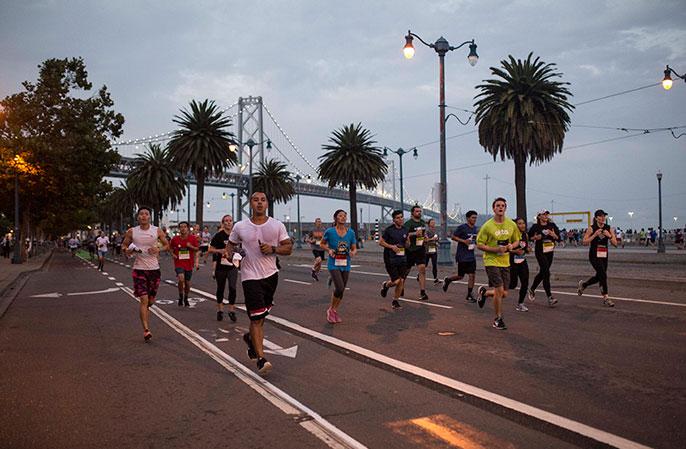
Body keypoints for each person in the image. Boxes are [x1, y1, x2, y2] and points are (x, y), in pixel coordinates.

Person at [226, 192, 292, 375]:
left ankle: (250, 339)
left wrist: (273, 249)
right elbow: (230, 245)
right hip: (249, 277)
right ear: (251, 204)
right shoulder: (240, 226)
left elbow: (288, 248)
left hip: (271, 276)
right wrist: (232, 256)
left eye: (263, 200)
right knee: (255, 318)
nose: (260, 203)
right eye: (256, 200)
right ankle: (261, 359)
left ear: (267, 204)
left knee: (261, 317)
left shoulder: (277, 225)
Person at [121, 207, 170, 342]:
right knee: (143, 299)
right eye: (141, 214)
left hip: (154, 270)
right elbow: (124, 246)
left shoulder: (156, 231)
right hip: (139, 269)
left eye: (146, 214)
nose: (143, 216)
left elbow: (167, 245)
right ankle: (146, 330)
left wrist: (158, 248)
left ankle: (146, 311)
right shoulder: (132, 231)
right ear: (138, 217)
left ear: (149, 217)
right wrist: (129, 251)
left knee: (151, 301)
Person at [476, 198, 520, 330]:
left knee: (504, 294)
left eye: (503, 206)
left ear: (505, 208)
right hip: (491, 261)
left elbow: (517, 240)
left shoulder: (511, 224)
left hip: (505, 262)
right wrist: (495, 249)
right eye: (498, 206)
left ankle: (484, 293)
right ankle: (497, 319)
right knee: (499, 290)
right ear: (493, 208)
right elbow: (479, 244)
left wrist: (512, 245)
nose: (500, 208)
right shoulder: (487, 226)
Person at [320, 209, 357, 323]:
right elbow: (321, 244)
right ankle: (331, 310)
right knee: (340, 287)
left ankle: (333, 310)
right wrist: (329, 250)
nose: (343, 218)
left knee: (341, 290)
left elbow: (354, 247)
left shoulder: (350, 232)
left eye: (345, 216)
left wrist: (353, 252)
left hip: (346, 263)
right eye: (340, 216)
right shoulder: (330, 231)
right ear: (335, 218)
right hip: (334, 263)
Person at [578, 209, 618, 307]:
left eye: (604, 216)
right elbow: (584, 242)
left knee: (600, 275)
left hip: (604, 255)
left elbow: (616, 244)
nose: (603, 218)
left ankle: (584, 285)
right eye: (600, 216)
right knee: (603, 275)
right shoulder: (591, 228)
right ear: (596, 218)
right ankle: (606, 298)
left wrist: (609, 236)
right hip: (594, 255)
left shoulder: (609, 228)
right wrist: (594, 235)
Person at [208, 215, 239, 322]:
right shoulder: (219, 236)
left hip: (233, 266)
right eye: (226, 221)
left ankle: (231, 310)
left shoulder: (236, 235)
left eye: (230, 221)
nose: (228, 223)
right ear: (223, 223)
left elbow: (242, 248)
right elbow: (210, 249)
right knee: (220, 288)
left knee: (232, 288)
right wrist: (220, 251)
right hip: (221, 267)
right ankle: (220, 309)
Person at [443, 210, 479, 302]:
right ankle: (448, 280)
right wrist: (464, 241)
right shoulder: (462, 227)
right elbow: (453, 237)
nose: (474, 219)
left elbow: (475, 239)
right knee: (460, 276)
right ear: (468, 218)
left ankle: (469, 294)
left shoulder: (475, 228)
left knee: (472, 274)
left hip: (471, 255)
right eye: (473, 217)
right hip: (462, 255)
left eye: (476, 218)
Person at [527, 210, 560, 306]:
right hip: (540, 252)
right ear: (539, 216)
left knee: (543, 272)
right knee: (546, 272)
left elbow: (558, 238)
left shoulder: (552, 225)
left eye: (547, 214)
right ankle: (550, 297)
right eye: (543, 214)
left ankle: (532, 289)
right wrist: (535, 238)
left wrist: (553, 235)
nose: (546, 216)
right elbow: (528, 237)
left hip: (550, 251)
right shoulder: (535, 227)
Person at [379, 210, 409, 309]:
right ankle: (386, 285)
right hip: (390, 258)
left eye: (401, 217)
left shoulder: (405, 229)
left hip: (402, 258)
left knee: (401, 280)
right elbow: (381, 242)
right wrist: (392, 247)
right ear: (393, 220)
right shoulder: (389, 230)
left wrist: (408, 242)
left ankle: (395, 301)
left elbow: (407, 244)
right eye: (398, 218)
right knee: (396, 281)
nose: (400, 219)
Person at [170, 221, 199, 307]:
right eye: (181, 227)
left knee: (187, 282)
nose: (183, 228)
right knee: (181, 279)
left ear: (188, 228)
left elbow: (197, 249)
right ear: (179, 229)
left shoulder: (192, 238)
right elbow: (170, 248)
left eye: (185, 227)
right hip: (179, 262)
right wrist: (173, 255)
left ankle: (186, 297)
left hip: (189, 263)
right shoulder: (175, 239)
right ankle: (180, 296)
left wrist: (190, 246)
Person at [404, 205, 429, 301]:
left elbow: (424, 233)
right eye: (417, 211)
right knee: (406, 271)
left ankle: (423, 292)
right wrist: (414, 234)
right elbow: (404, 234)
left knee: (422, 269)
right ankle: (401, 286)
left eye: (420, 211)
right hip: (410, 250)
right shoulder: (409, 223)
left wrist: (425, 237)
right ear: (412, 213)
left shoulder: (422, 222)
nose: (419, 213)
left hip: (420, 249)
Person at [509, 218, 532, 312]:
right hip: (511, 262)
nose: (522, 225)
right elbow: (505, 249)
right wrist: (515, 251)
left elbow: (525, 248)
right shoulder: (511, 236)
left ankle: (520, 304)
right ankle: (495, 290)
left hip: (522, 261)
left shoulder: (525, 235)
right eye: (519, 223)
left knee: (525, 282)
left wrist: (528, 250)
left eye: (523, 223)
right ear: (515, 225)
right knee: (512, 284)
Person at [424, 219, 440, 284]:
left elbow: (437, 240)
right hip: (427, 250)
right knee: (425, 265)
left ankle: (435, 279)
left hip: (434, 250)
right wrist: (432, 239)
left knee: (434, 265)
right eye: (432, 222)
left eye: (434, 222)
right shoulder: (426, 231)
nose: (433, 224)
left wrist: (437, 242)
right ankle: (419, 275)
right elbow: (425, 240)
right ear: (429, 224)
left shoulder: (436, 231)